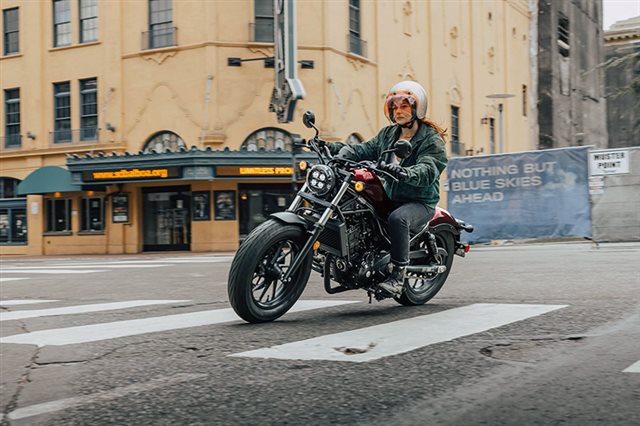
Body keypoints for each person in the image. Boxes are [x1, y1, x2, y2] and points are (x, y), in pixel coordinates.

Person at [329, 80, 448, 295]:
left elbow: (428, 169)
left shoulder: (431, 140)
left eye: (404, 106)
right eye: (395, 107)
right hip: (391, 196)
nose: (399, 111)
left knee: (398, 219)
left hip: (419, 202)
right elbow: (363, 149)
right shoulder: (388, 135)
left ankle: (397, 276)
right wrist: (333, 148)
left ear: (416, 108)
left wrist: (405, 172)